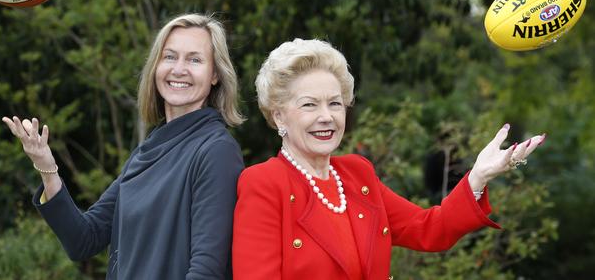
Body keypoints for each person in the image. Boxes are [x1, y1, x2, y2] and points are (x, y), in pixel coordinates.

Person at [232, 38, 545, 280]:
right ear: (279, 116)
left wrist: (478, 176)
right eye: (309, 105)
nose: (326, 117)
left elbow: (429, 229)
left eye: (335, 104)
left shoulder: (357, 174)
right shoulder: (263, 183)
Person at [3, 14, 245, 279]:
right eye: (170, 57)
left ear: (215, 75)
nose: (179, 69)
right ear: (155, 67)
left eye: (195, 59)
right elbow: (84, 239)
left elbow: (207, 270)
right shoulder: (148, 150)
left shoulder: (216, 151)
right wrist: (47, 168)